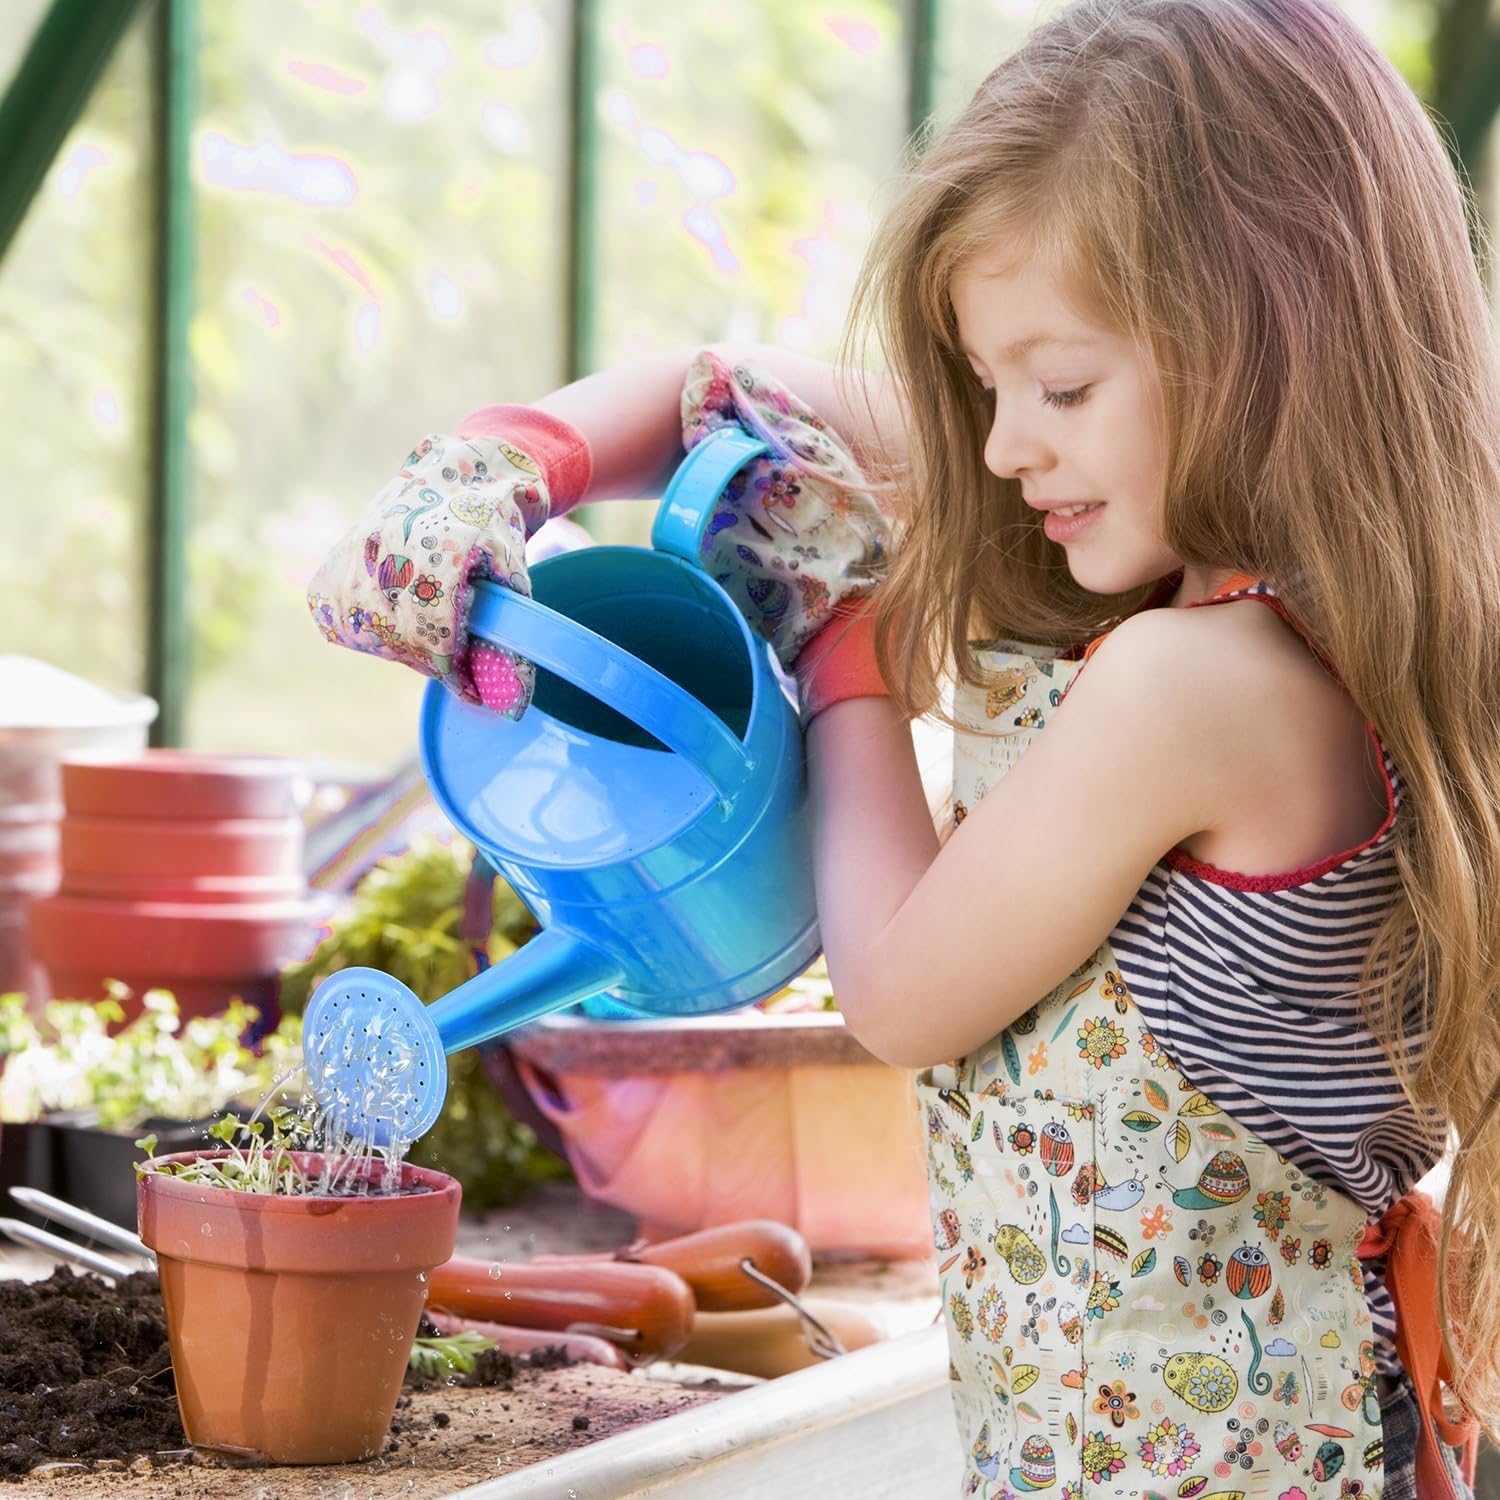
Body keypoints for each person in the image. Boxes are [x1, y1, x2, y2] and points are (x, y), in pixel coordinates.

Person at [309, 1, 1500, 1493]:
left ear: (1272, 337)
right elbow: (735, 401)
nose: (1003, 446)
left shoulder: (1200, 687)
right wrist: (500, 464)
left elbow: (898, 989)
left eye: (1058, 388)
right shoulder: (1279, 603)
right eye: (988, 384)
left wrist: (842, 643)